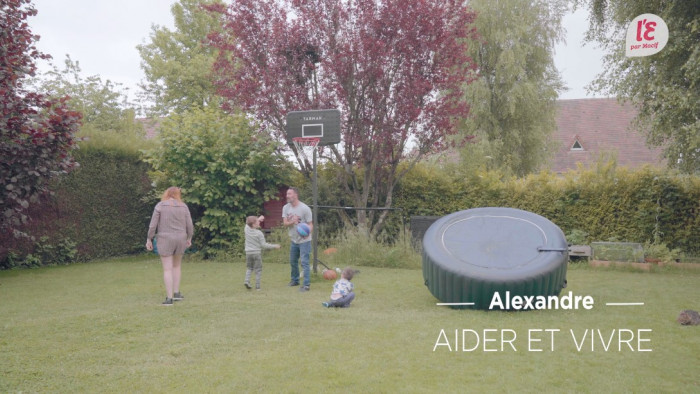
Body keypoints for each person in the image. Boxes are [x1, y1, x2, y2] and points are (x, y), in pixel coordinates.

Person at [146, 186, 194, 306]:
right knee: (177, 266)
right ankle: (177, 293)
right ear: (178, 194)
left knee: (167, 268)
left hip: (165, 238)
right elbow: (190, 225)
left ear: (166, 194)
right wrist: (189, 237)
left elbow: (153, 225)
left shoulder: (160, 205)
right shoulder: (184, 206)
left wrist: (149, 238)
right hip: (180, 238)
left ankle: (169, 298)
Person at [282, 187, 313, 292]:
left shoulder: (305, 208)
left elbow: (310, 224)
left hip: (305, 240)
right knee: (293, 261)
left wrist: (307, 232)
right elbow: (285, 223)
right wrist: (292, 221)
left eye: (289, 194)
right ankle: (295, 280)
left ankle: (306, 285)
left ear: (295, 195)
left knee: (304, 262)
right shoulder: (286, 208)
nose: (287, 196)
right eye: (287, 194)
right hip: (294, 240)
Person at [244, 215, 280, 290]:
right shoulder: (259, 233)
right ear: (254, 224)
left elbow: (248, 224)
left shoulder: (246, 229)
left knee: (249, 268)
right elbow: (263, 245)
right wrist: (274, 246)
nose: (259, 222)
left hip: (248, 253)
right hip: (256, 253)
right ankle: (257, 287)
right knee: (258, 270)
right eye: (257, 221)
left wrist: (258, 219)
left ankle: (247, 281)